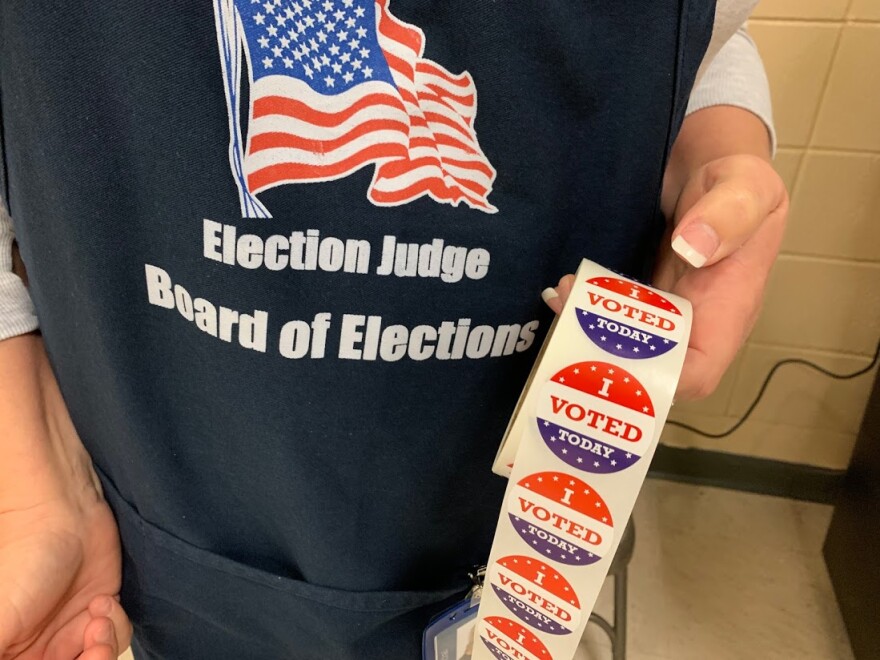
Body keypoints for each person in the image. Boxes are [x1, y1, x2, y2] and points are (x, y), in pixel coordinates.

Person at [0, 1, 788, 658]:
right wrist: (30, 461)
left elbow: (707, 36)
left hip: (510, 543)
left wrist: (720, 148)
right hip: (157, 533)